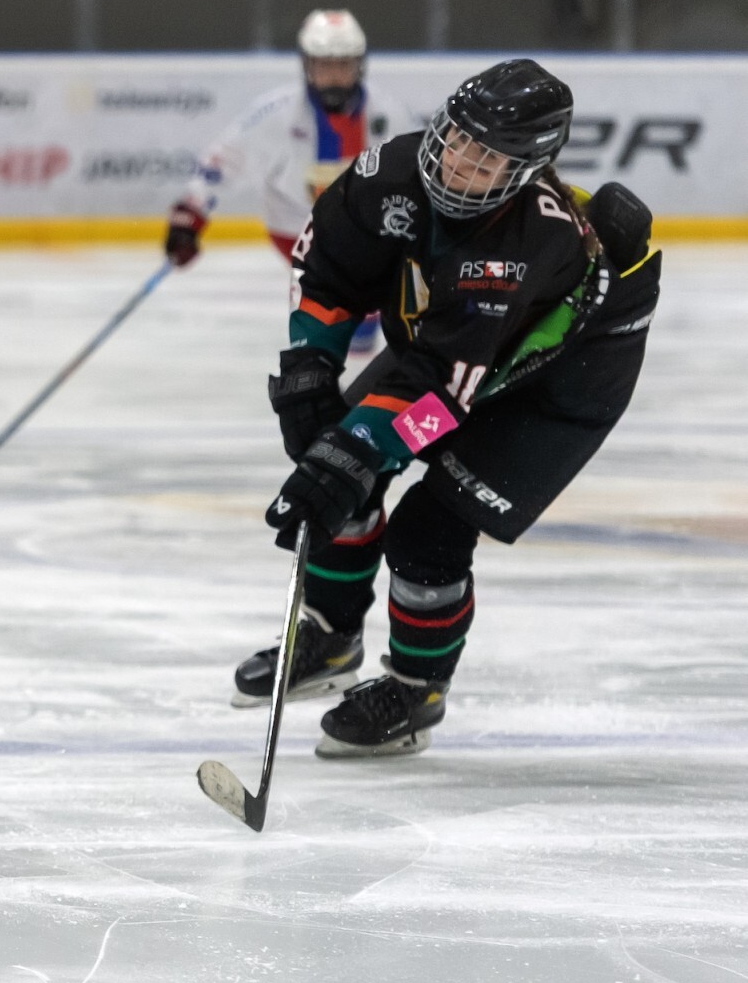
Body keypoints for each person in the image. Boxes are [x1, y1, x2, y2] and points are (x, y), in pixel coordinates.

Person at [243, 58, 661, 757]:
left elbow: (441, 395)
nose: (459, 161)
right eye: (458, 137)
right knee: (344, 460)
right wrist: (309, 368)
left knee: (426, 534)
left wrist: (354, 449)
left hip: (563, 376)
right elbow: (327, 267)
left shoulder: (520, 244)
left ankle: (416, 689)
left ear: (526, 170)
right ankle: (332, 632)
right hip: (457, 343)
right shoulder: (390, 173)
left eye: (487, 157)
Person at [164, 10, 418, 353]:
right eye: (324, 65)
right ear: (306, 65)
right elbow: (221, 162)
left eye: (343, 65)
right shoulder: (274, 115)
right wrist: (189, 216)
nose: (334, 76)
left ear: (360, 65)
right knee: (335, 325)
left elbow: (421, 171)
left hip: (366, 236)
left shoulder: (390, 113)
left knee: (361, 334)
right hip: (294, 231)